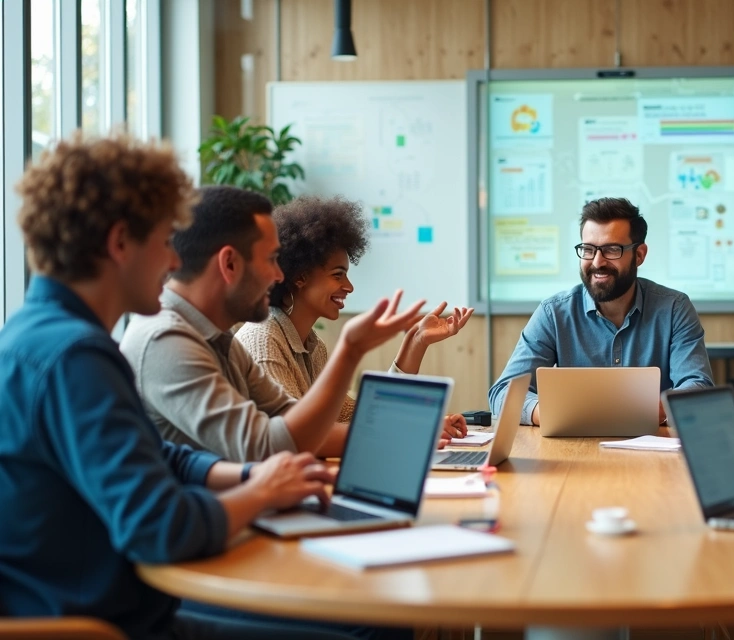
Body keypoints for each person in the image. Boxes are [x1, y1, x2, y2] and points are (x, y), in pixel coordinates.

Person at [0, 132, 380, 639]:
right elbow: (160, 528)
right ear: (119, 244)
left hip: (110, 605)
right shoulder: (77, 358)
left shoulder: (39, 335)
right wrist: (261, 492)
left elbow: (157, 455)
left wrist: (249, 480)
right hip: (107, 621)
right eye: (163, 242)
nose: (174, 262)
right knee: (371, 626)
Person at [121, 185, 427, 462]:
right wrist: (350, 350)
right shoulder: (167, 340)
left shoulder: (219, 339)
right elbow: (268, 444)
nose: (279, 275)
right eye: (270, 260)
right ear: (229, 264)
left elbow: (295, 420)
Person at [233, 195, 471, 438]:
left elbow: (357, 414)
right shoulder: (263, 341)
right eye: (338, 275)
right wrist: (412, 429)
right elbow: (295, 435)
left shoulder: (313, 346)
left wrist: (417, 341)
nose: (349, 286)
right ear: (300, 277)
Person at [489, 197, 714, 426]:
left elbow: (698, 387)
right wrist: (547, 412)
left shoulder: (674, 308)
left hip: (654, 450)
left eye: (611, 250)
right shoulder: (553, 313)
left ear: (639, 255)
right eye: (588, 249)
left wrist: (655, 409)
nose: (597, 262)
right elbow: (502, 393)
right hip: (572, 450)